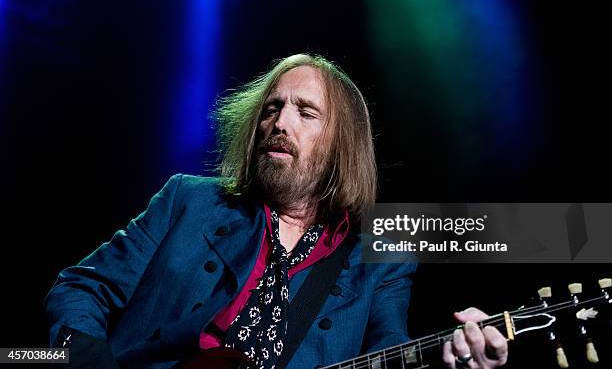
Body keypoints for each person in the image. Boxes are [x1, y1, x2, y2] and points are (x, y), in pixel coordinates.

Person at [45, 54, 508, 369]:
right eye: (272, 108)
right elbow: (82, 285)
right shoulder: (189, 200)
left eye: (306, 113)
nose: (280, 123)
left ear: (339, 145)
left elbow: (390, 348)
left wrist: (453, 356)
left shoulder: (383, 254)